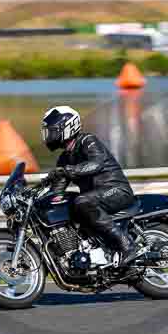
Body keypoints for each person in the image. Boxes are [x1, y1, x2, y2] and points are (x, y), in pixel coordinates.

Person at [41, 105, 137, 266]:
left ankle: (127, 245)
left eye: (53, 131)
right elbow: (56, 191)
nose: (50, 136)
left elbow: (96, 164)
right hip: (95, 199)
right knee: (67, 205)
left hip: (116, 190)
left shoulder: (88, 141)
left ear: (67, 127)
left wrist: (69, 170)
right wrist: (41, 198)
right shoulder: (64, 158)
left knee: (82, 200)